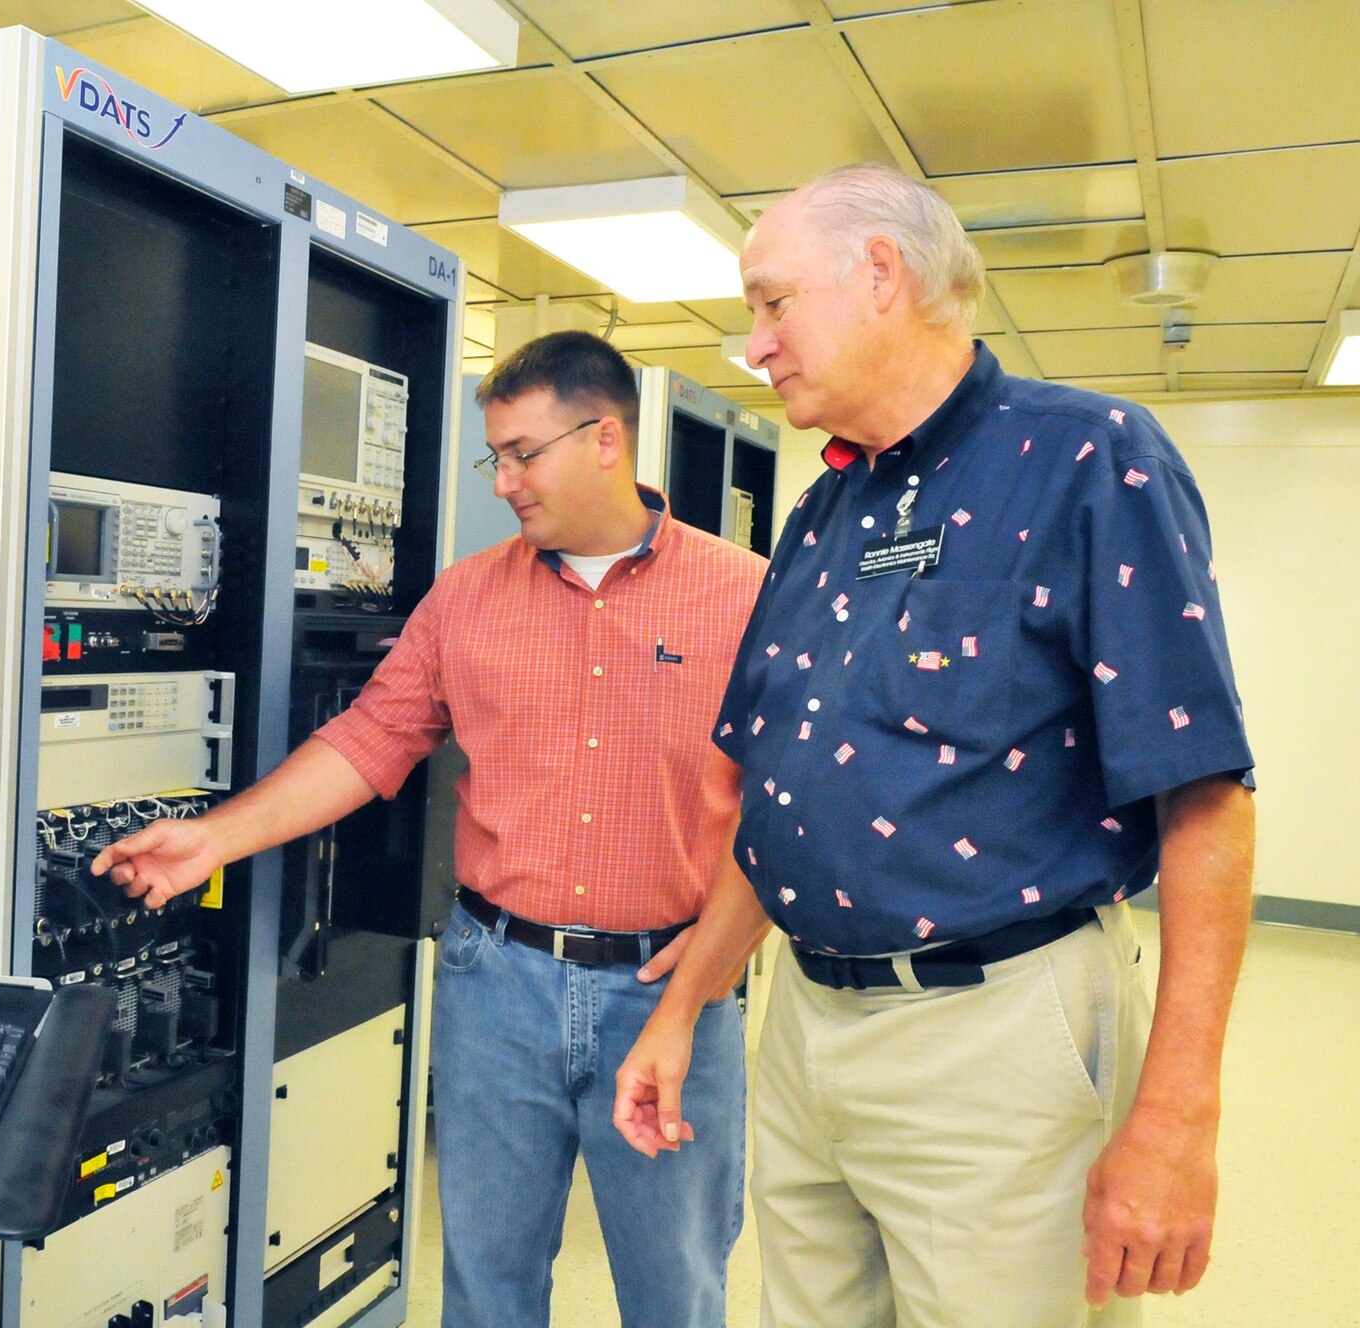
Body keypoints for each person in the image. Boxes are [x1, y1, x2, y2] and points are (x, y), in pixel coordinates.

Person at [613, 163, 1257, 1328]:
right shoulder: (823, 513)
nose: (751, 343)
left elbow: (1202, 796)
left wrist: (1173, 1116)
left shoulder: (1086, 458)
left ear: (878, 275)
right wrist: (682, 1006)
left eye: (770, 302)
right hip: (805, 1027)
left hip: (994, 1032)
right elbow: (788, 801)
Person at [94, 330, 767, 1327]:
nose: (501, 481)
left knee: (675, 1291)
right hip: (494, 984)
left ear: (605, 439)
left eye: (521, 453)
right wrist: (216, 837)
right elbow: (370, 737)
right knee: (484, 1288)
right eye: (491, 456)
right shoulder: (466, 596)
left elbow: (780, 815)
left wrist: (701, 978)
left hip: (670, 987)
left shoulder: (744, 594)